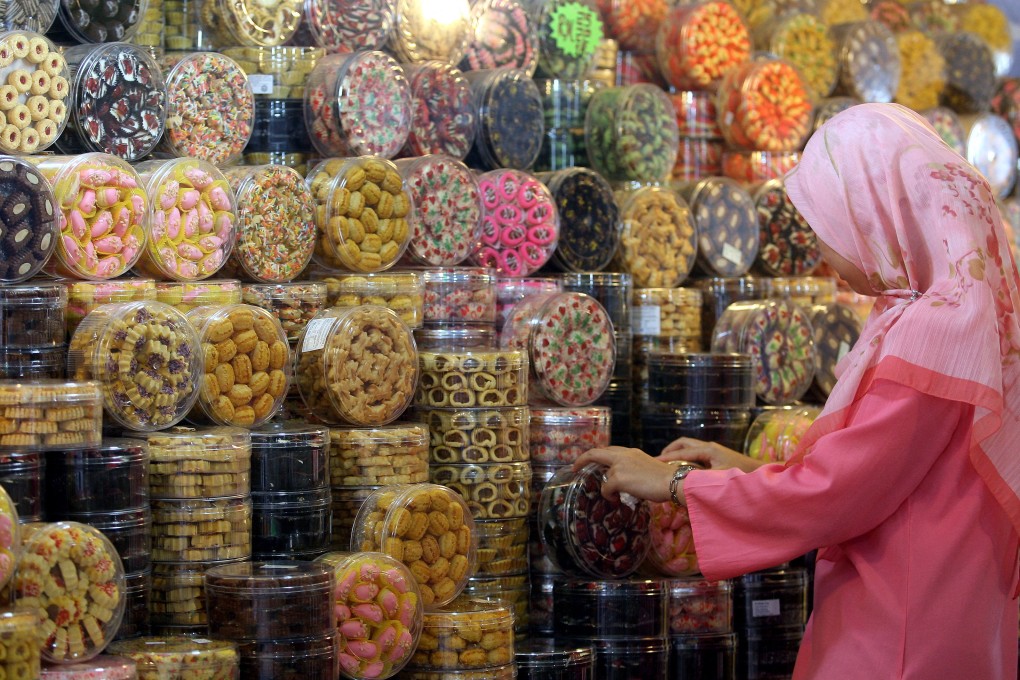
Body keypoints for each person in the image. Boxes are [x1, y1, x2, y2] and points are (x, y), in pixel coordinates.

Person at [575, 103, 1020, 679]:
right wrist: (746, 470)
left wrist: (677, 483)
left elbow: (839, 492)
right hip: (947, 604)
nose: (821, 254)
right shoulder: (966, 314)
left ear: (876, 218)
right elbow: (892, 475)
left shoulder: (935, 330)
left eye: (827, 228)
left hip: (902, 633)